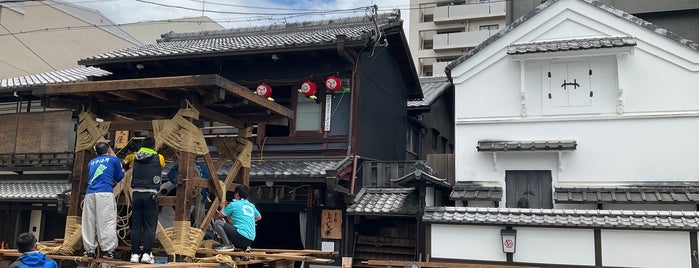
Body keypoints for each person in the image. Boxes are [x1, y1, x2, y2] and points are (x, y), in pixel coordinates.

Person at [82, 141, 124, 260]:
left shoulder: (91, 162)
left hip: (90, 194)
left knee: (89, 222)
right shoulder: (113, 160)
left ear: (97, 152)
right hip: (105, 193)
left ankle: (90, 251)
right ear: (109, 151)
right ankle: (107, 251)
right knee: (106, 221)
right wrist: (124, 170)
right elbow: (119, 177)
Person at [129, 137, 165, 264]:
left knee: (136, 225)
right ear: (154, 146)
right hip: (151, 194)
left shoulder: (134, 157)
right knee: (150, 226)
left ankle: (134, 254)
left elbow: (126, 163)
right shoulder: (158, 157)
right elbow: (162, 164)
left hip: (136, 194)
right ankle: (146, 253)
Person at [213, 184, 261, 252]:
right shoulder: (251, 205)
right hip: (250, 240)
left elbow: (219, 216)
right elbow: (259, 217)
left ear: (237, 194)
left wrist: (223, 206)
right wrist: (251, 221)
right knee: (233, 227)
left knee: (217, 223)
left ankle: (227, 245)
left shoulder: (233, 204)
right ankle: (245, 248)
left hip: (240, 236)